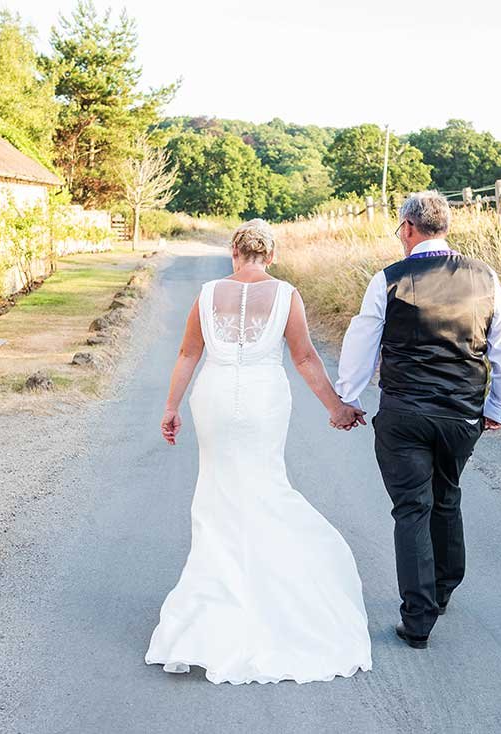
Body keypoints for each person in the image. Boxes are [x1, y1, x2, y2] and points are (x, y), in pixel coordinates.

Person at [145, 219, 372, 684]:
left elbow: (188, 354)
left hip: (213, 398)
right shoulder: (287, 294)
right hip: (264, 399)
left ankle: (217, 598)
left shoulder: (207, 294)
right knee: (266, 484)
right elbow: (305, 357)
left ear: (234, 250)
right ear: (271, 255)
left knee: (217, 492)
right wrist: (337, 407)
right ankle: (275, 590)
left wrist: (171, 408)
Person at [336, 191, 501, 649]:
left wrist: (348, 396)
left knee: (411, 508)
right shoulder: (485, 277)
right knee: (446, 494)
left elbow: (363, 339)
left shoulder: (390, 279)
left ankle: (418, 619)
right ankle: (443, 587)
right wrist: (498, 407)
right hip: (460, 414)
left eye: (400, 229)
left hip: (404, 414)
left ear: (409, 228)